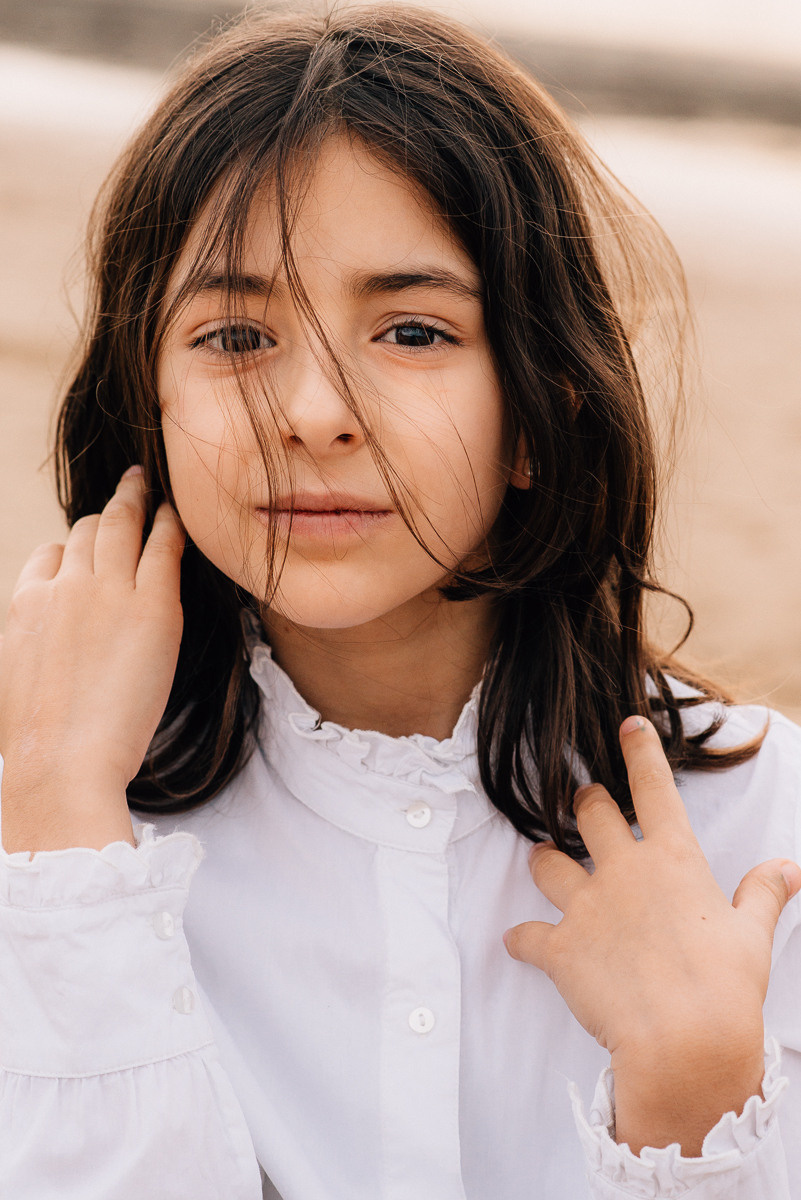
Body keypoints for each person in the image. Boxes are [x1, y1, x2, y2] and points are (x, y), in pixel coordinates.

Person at [0, 7, 799, 1198]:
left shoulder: (760, 826)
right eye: (234, 334)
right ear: (146, 402)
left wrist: (692, 1109)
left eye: (414, 330)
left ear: (539, 408)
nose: (315, 412)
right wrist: (60, 829)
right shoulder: (48, 825)